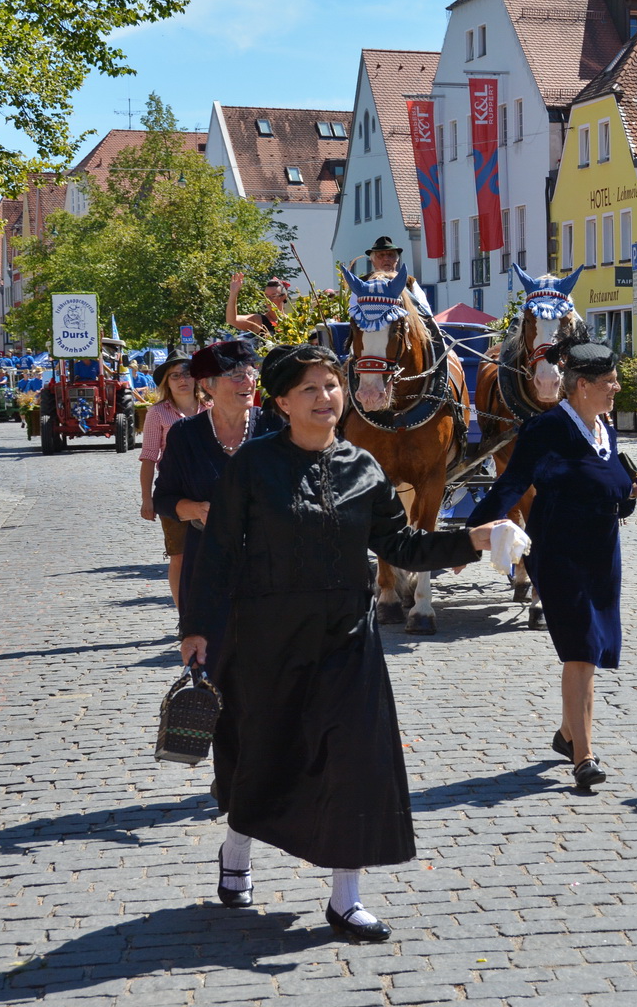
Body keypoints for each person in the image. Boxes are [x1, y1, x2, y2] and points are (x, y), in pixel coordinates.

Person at [181, 344, 504, 940]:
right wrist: (196, 629)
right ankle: (236, 850)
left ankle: (345, 898)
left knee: (355, 759)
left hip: (348, 637)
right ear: (280, 402)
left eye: (332, 385)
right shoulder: (251, 468)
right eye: (309, 388)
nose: (326, 397)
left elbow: (402, 546)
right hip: (268, 637)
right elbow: (219, 553)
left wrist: (474, 540)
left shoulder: (362, 467)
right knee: (264, 752)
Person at [468, 341, 637, 787]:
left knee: (591, 650)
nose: (615, 387)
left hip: (602, 554)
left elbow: (609, 482)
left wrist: (633, 491)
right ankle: (584, 757)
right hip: (558, 553)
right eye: (609, 381)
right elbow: (510, 485)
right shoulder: (545, 428)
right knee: (581, 651)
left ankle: (568, 733)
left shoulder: (604, 428)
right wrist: (469, 537)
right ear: (583, 386)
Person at [153, 341, 282, 614]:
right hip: (208, 565)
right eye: (236, 376)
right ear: (208, 386)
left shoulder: (275, 426)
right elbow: (163, 498)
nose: (248, 382)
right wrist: (196, 509)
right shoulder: (184, 435)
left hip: (272, 565)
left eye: (251, 373)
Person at [139, 357, 207, 611]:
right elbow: (148, 457)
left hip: (209, 489)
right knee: (179, 555)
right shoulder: (158, 413)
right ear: (167, 382)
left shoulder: (211, 407)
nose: (182, 380)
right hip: (174, 491)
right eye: (175, 376)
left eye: (187, 374)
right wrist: (147, 499)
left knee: (212, 555)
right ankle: (185, 616)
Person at [226, 272, 289, 338]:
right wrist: (233, 293)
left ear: (283, 297)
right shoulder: (258, 320)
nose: (269, 300)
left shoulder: (292, 322)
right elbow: (231, 320)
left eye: (273, 296)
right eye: (266, 296)